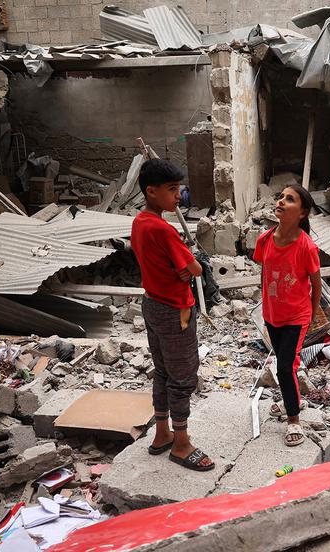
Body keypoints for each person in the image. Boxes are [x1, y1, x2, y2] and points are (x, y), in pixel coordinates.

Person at [130, 159, 214, 472]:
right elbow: (193, 268)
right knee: (183, 377)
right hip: (174, 309)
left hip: (152, 304)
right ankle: (181, 443)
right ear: (151, 192)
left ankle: (161, 433)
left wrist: (181, 268)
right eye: (171, 189)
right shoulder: (163, 229)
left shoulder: (139, 222)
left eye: (178, 189)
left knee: (163, 371)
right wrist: (191, 267)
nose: (178, 195)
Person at [253, 184, 322, 446]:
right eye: (280, 197)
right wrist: (265, 303)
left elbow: (317, 285)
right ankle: (291, 399)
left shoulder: (307, 247)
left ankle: (294, 420)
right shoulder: (265, 239)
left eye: (289, 199)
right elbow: (265, 272)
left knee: (283, 367)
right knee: (288, 365)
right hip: (272, 314)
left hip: (296, 317)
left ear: (302, 212)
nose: (281, 201)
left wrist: (311, 316)